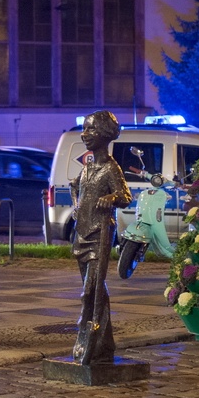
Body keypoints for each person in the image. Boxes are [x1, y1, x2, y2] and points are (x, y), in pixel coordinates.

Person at [69, 111, 132, 364]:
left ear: (105, 135)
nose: (85, 135)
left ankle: (88, 324)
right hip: (82, 233)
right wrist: (76, 204)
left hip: (100, 234)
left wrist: (111, 198)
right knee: (95, 291)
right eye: (84, 129)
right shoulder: (87, 168)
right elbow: (76, 187)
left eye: (91, 130)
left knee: (91, 290)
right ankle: (105, 344)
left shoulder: (110, 167)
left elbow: (125, 196)